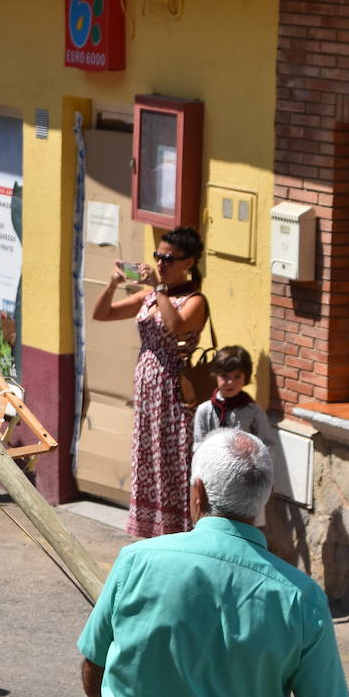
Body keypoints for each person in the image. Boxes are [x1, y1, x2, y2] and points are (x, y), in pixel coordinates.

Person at [77, 429, 349, 697]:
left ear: (198, 492)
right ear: (263, 499)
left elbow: (92, 680)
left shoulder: (135, 561)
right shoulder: (301, 597)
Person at [92, 226, 208, 537]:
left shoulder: (194, 300)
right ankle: (151, 529)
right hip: (147, 388)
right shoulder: (149, 295)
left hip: (173, 390)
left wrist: (160, 289)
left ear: (188, 263)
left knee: (173, 460)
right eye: (158, 256)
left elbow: (177, 327)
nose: (160, 263)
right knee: (148, 456)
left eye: (169, 259)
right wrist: (113, 283)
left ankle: (180, 530)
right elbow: (102, 314)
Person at [193, 346, 279, 453]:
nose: (230, 382)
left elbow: (268, 444)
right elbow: (198, 445)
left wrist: (257, 466)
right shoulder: (204, 410)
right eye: (224, 376)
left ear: (245, 378)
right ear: (215, 376)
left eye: (237, 377)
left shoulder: (253, 411)